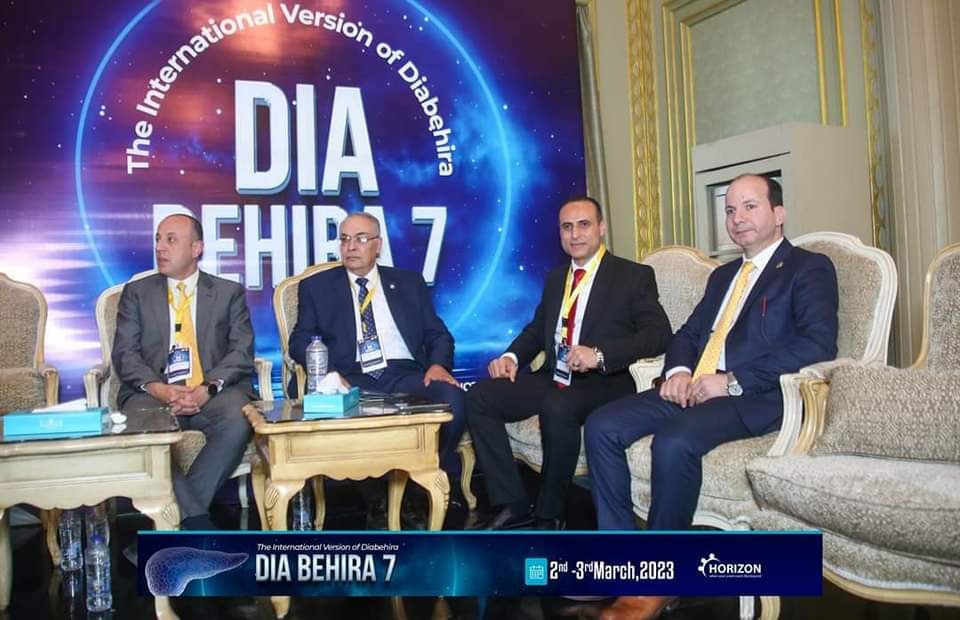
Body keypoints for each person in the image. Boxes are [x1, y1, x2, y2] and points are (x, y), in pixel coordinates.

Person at [585, 175, 839, 619]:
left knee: (675, 440)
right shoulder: (723, 276)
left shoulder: (808, 268)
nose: (737, 218)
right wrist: (679, 371)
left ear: (779, 213)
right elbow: (688, 333)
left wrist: (732, 380)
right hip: (695, 387)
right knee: (601, 426)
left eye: (750, 206)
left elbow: (817, 345)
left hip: (754, 395)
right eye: (730, 210)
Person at [466, 197, 672, 530]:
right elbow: (538, 330)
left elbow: (658, 335)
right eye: (567, 227)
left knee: (557, 405)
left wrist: (599, 353)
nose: (575, 234)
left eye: (584, 225)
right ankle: (512, 503)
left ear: (602, 228)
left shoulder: (633, 276)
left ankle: (550, 514)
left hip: (605, 381)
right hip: (557, 374)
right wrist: (511, 357)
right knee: (480, 396)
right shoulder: (556, 278)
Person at [288, 212, 466, 520]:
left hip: (403, 373)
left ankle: (421, 480)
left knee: (454, 399)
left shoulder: (408, 282)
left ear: (378, 245)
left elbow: (438, 334)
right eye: (345, 239)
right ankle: (376, 497)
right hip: (351, 376)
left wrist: (438, 365)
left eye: (360, 239)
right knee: (347, 412)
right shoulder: (316, 287)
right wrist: (329, 374)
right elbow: (299, 341)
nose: (350, 247)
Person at [113, 213, 255, 530]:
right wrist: (158, 388)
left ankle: (176, 525)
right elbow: (125, 354)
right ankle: (196, 523)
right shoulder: (137, 293)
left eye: (171, 240)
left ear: (196, 248)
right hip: (153, 396)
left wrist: (208, 388)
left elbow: (241, 352)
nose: (160, 247)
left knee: (239, 417)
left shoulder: (227, 293)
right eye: (158, 239)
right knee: (145, 427)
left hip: (210, 393)